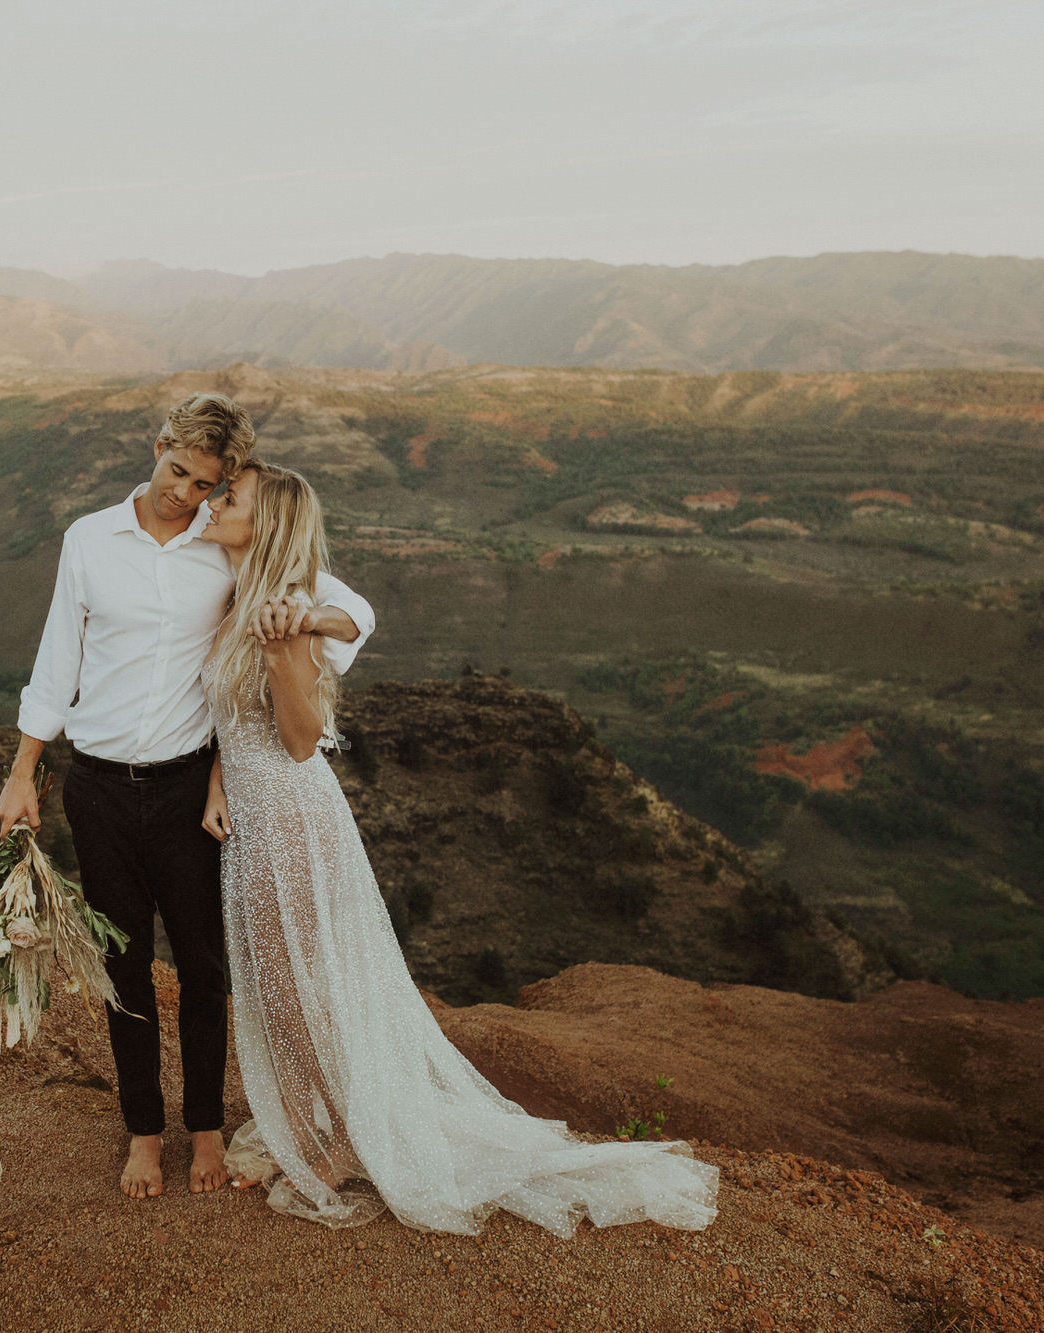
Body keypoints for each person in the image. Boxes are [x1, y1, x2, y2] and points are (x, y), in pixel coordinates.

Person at [196, 460, 720, 1236]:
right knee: (278, 981)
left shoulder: (291, 613)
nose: (212, 502)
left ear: (264, 523)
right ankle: (309, 1127)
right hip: (247, 818)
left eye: (227, 497)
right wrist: (215, 783)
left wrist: (284, 652)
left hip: (295, 820)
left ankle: (335, 1139)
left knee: (310, 983)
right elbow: (230, 719)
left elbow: (302, 742)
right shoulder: (236, 599)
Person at [0, 393, 376, 1202]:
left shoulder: (225, 543)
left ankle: (204, 1124)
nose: (185, 494)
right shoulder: (89, 540)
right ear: (158, 444)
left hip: (184, 790)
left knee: (204, 967)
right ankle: (144, 1130)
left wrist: (313, 617)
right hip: (95, 788)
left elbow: (356, 608)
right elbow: (54, 659)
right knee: (123, 963)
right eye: (178, 472)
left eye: (207, 484)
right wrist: (24, 769)